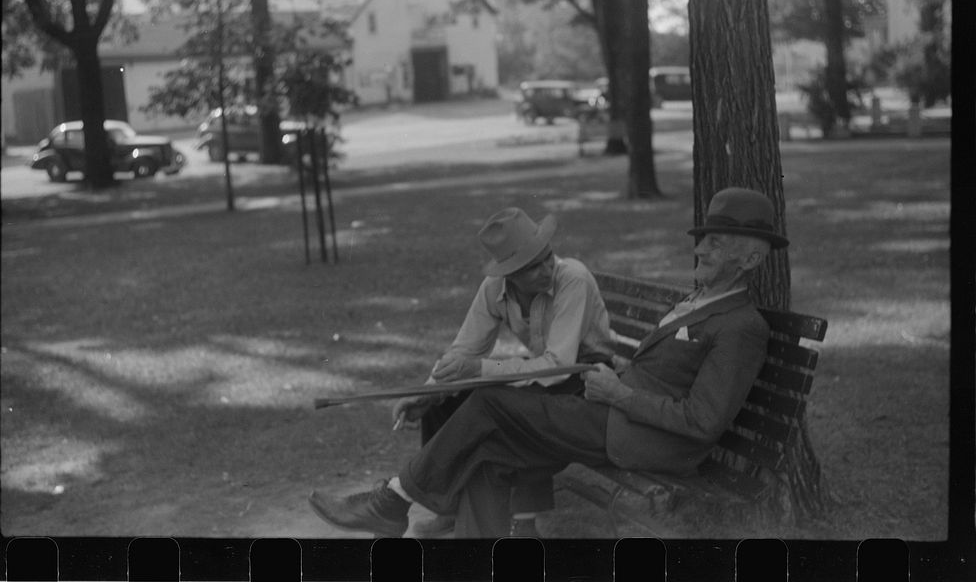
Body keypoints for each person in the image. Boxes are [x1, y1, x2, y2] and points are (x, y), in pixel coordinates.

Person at [308, 187, 787, 538]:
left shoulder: (741, 326)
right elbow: (465, 352)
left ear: (748, 260)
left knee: (490, 406)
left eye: (717, 244)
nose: (700, 248)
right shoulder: (702, 300)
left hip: (639, 435)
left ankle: (392, 500)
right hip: (608, 407)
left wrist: (620, 393)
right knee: (486, 448)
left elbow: (703, 422)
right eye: (704, 239)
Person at [389, 206, 612, 536]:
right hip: (551, 377)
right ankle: (447, 507)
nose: (546, 269)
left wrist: (480, 370)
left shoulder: (572, 279)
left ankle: (522, 523)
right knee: (447, 401)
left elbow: (557, 367)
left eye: (548, 257)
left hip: (586, 383)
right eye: (532, 267)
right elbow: (464, 349)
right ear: (510, 273)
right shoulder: (494, 289)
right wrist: (428, 392)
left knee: (495, 406)